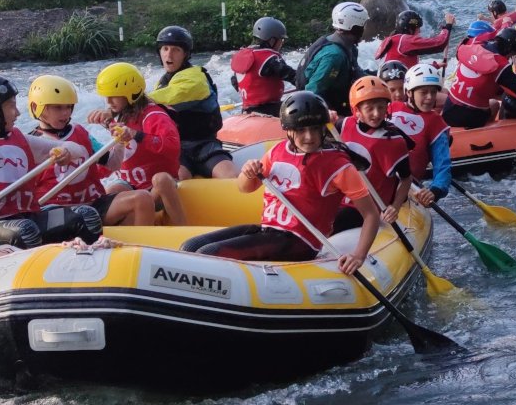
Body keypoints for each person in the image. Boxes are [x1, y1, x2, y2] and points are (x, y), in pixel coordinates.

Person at [182, 91, 379, 268]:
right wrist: (247, 173)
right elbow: (245, 188)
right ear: (288, 130)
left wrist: (359, 256)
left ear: (323, 129)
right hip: (269, 231)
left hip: (300, 241)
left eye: (314, 129)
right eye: (301, 130)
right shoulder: (277, 151)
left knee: (208, 254)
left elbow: (371, 214)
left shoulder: (338, 164)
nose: (309, 137)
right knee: (191, 246)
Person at [28, 74, 156, 227]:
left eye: (68, 106)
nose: (66, 113)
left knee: (143, 198)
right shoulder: (29, 144)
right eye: (58, 107)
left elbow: (113, 164)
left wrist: (120, 141)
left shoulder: (80, 132)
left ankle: (140, 247)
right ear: (37, 108)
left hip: (95, 204)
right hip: (58, 212)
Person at [0, 75, 99, 249]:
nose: (18, 113)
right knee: (26, 231)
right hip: (7, 226)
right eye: (11, 106)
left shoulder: (21, 139)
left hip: (28, 217)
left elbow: (77, 150)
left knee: (85, 216)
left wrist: (65, 152)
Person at [86, 62, 187, 226]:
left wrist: (137, 135)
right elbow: (118, 157)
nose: (108, 101)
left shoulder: (154, 115)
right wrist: (88, 177)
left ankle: (183, 229)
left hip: (155, 188)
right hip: (129, 184)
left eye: (114, 96)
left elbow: (172, 146)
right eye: (106, 96)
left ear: (130, 94)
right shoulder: (119, 117)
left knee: (161, 179)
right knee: (108, 194)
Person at [148, 25, 237, 181]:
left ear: (185, 54)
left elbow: (174, 94)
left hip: (205, 145)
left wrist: (133, 102)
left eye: (176, 50)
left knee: (230, 177)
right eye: (165, 49)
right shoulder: (161, 83)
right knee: (179, 179)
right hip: (178, 149)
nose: (169, 54)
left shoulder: (196, 78)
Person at [337, 76, 413, 226]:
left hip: (369, 206)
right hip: (342, 198)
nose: (377, 114)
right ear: (357, 110)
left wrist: (395, 207)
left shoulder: (394, 141)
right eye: (369, 108)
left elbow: (406, 178)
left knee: (337, 221)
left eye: (381, 107)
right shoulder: (343, 125)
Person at [443, 27, 516, 129]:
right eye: (511, 55)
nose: (509, 58)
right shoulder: (500, 64)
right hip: (469, 116)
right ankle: (485, 135)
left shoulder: (475, 46)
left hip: (448, 109)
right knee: (494, 104)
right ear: (509, 49)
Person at [389, 63, 451, 208]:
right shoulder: (389, 108)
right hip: (377, 181)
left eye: (433, 92)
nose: (430, 98)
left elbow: (443, 165)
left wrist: (435, 190)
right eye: (423, 92)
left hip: (406, 188)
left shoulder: (437, 124)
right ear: (409, 92)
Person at [294, 1, 368, 116]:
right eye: (363, 25)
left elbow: (356, 72)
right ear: (356, 27)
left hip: (338, 101)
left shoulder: (348, 46)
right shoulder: (334, 56)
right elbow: (313, 90)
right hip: (329, 110)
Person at [230, 17, 296, 117]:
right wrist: (307, 84)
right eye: (281, 39)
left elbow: (234, 81)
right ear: (272, 40)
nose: (282, 43)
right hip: (269, 110)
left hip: (247, 109)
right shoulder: (269, 59)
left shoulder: (242, 55)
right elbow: (292, 76)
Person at [374, 9, 455, 69]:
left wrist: (435, 66)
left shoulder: (392, 39)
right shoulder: (405, 41)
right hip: (398, 87)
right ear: (410, 29)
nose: (419, 31)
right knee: (444, 91)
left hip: (391, 83)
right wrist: (448, 25)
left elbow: (412, 69)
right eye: (418, 28)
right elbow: (440, 43)